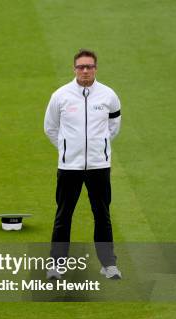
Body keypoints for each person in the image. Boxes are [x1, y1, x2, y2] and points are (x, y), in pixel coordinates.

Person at [44, 49, 122, 280]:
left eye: (89, 66)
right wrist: (68, 149)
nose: (85, 70)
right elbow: (51, 128)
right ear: (74, 69)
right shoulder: (61, 96)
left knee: (102, 214)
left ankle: (109, 264)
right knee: (64, 215)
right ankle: (56, 264)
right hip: (70, 167)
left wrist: (99, 147)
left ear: (95, 68)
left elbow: (113, 127)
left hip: (99, 166)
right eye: (81, 67)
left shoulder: (108, 95)